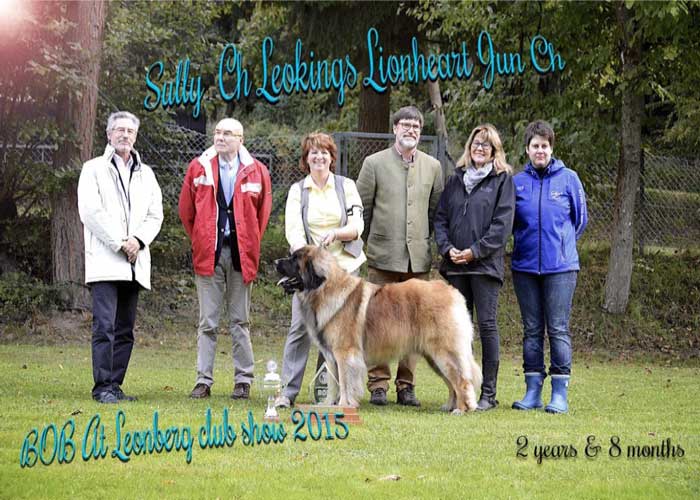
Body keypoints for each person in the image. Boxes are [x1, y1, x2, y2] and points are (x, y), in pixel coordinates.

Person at [356, 105, 444, 407]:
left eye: (416, 126)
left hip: (417, 260)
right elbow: (361, 210)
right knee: (377, 324)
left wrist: (424, 242)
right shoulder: (373, 163)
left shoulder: (433, 166)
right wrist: (370, 243)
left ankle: (406, 385)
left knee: (415, 326)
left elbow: (436, 212)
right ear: (394, 129)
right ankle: (378, 384)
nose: (410, 131)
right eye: (405, 125)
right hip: (382, 258)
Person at [179, 118, 272, 400]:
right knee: (207, 321)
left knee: (239, 321)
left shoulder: (257, 172)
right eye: (217, 132)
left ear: (240, 139)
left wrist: (249, 241)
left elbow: (262, 216)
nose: (220, 137)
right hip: (209, 253)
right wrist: (201, 238)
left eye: (227, 133)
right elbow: (186, 212)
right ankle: (203, 381)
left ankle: (243, 380)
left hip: (241, 254)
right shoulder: (199, 167)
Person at [274, 132, 366, 408]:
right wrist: (310, 260)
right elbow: (294, 232)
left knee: (341, 336)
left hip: (346, 271)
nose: (319, 157)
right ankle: (287, 393)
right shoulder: (297, 190)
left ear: (331, 157)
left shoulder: (346, 185)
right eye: (313, 152)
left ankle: (332, 394)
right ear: (306, 159)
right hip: (309, 275)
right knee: (300, 330)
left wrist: (337, 234)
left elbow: (357, 226)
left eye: (324, 152)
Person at [77, 111, 163, 404]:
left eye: (130, 131)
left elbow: (155, 215)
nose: (125, 135)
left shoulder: (147, 174)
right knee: (105, 327)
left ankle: (115, 386)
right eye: (119, 130)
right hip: (106, 261)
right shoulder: (93, 169)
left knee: (125, 330)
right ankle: (102, 387)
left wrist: (138, 241)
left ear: (135, 136)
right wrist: (120, 243)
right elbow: (90, 212)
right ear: (109, 134)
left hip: (134, 263)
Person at [434, 124, 515, 411]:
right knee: (455, 334)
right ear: (469, 147)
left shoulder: (503, 181)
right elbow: (441, 219)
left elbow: (502, 226)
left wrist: (474, 252)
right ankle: (459, 392)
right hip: (455, 268)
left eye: (486, 145)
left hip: (484, 268)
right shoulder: (455, 179)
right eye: (476, 144)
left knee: (487, 327)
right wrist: (447, 249)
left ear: (495, 151)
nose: (479, 149)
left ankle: (488, 395)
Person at [511, 120, 588, 414]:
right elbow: (512, 222)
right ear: (528, 149)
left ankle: (559, 394)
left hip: (561, 269)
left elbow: (580, 221)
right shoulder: (517, 182)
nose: (540, 150)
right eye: (535, 146)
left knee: (557, 329)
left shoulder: (569, 179)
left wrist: (561, 245)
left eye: (544, 145)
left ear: (551, 148)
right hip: (525, 268)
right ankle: (532, 391)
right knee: (531, 330)